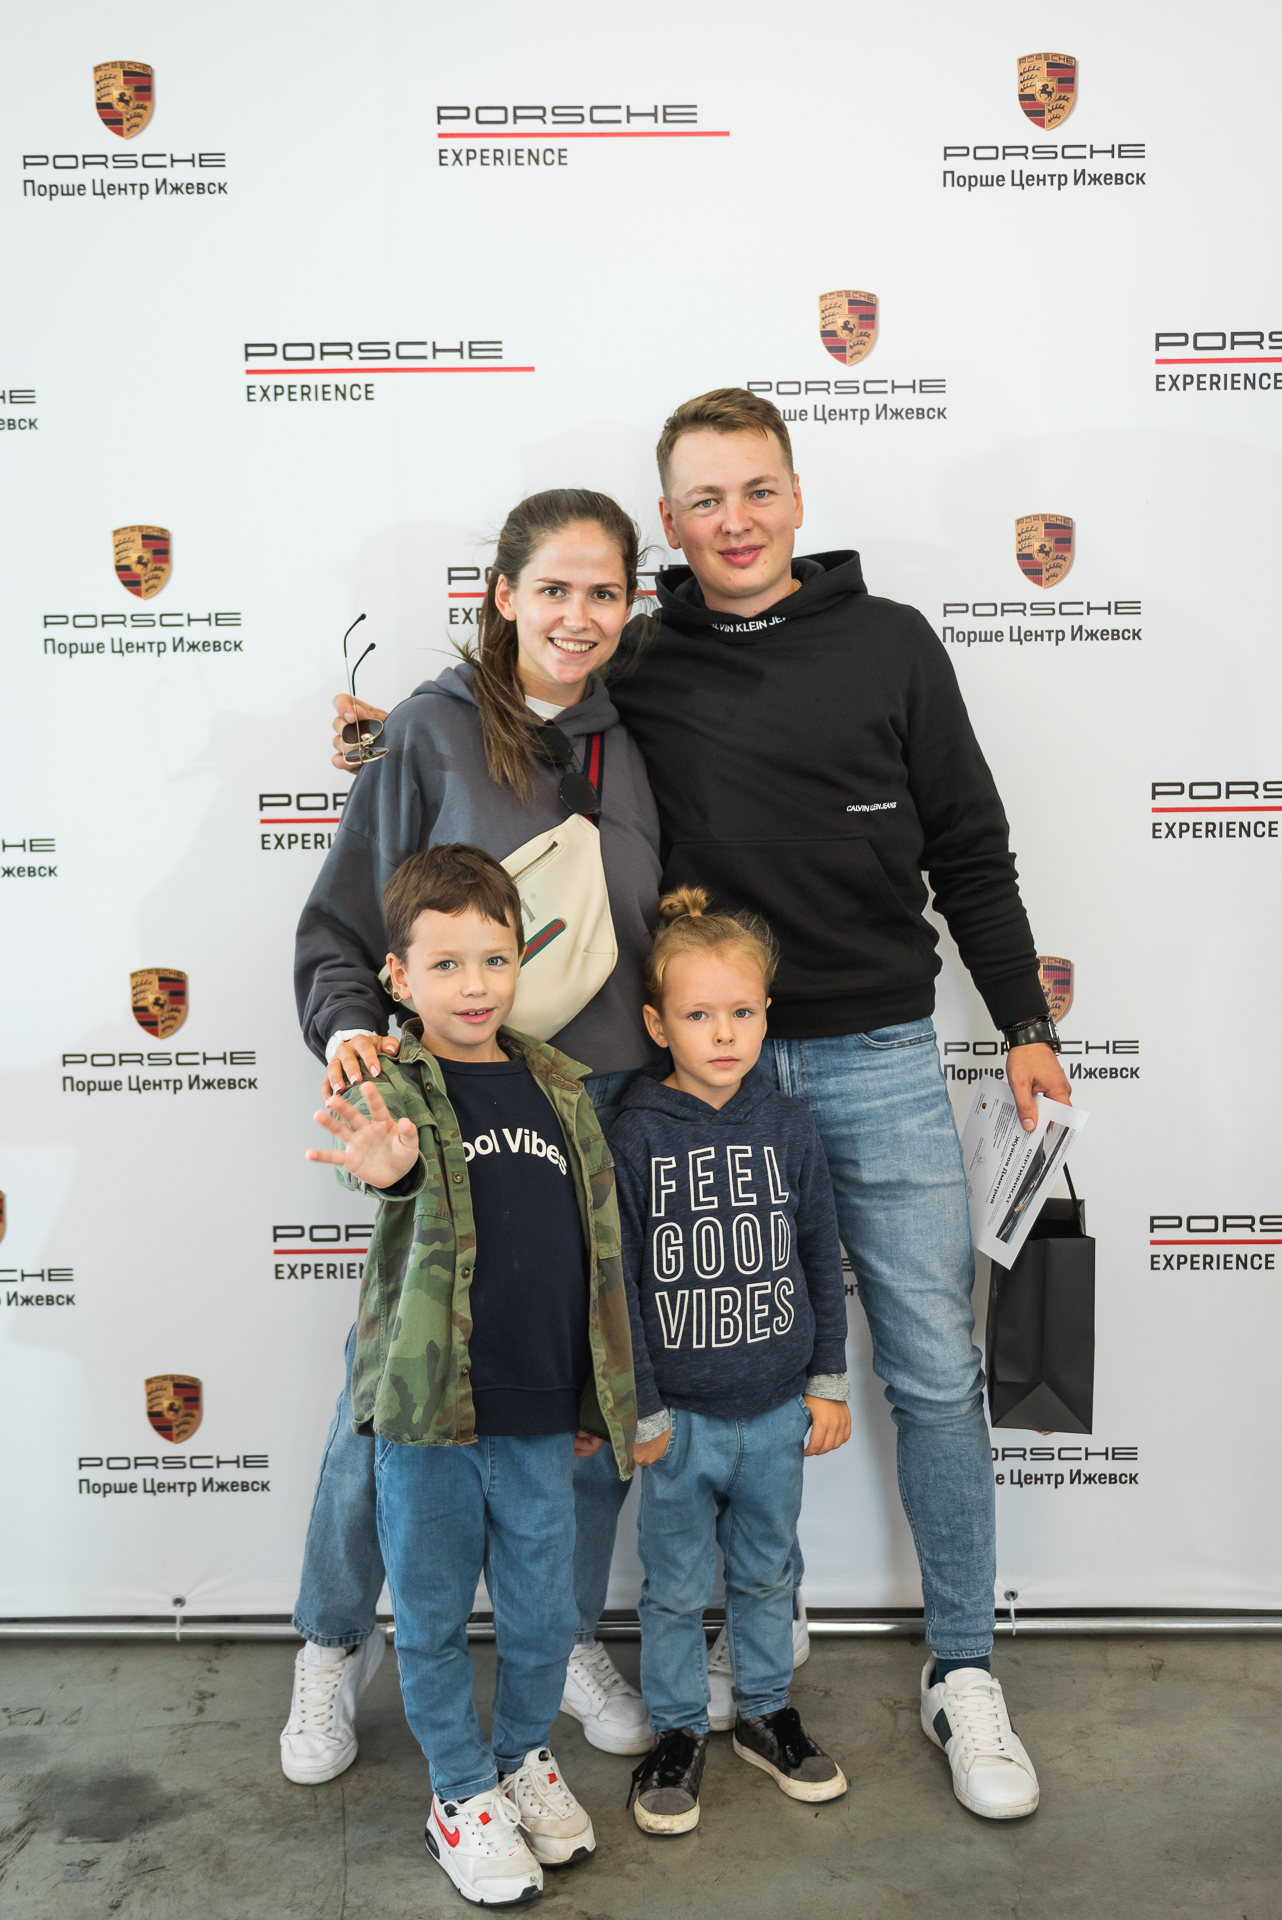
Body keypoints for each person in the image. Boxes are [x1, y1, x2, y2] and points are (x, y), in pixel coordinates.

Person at [331, 388, 1065, 1820]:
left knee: (931, 1370)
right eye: (704, 501)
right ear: (668, 522)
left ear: (797, 498)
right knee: (624, 1368)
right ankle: (635, 1650)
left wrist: (1023, 1025)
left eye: (757, 491)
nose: (734, 522)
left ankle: (964, 1671)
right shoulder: (636, 656)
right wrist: (386, 740)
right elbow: (513, 710)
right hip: (674, 1074)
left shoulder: (892, 643)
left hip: (874, 1053)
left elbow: (971, 848)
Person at [285, 488, 805, 1788]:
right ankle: (331, 1640)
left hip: (605, 1113)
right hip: (453, 1118)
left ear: (632, 606)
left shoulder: (637, 736)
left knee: (588, 1391)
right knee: (389, 1396)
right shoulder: (428, 730)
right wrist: (348, 1031)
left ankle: (561, 1634)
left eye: (604, 592)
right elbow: (342, 923)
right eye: (554, 588)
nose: (579, 616)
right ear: (503, 596)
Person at [304, 842, 635, 1904]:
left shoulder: (559, 1086)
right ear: (397, 977)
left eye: (494, 959)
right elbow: (382, 1172)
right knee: (435, 1619)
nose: (474, 985)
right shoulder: (392, 1083)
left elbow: (595, 1254)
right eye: (444, 965)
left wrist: (599, 1397)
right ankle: (459, 1792)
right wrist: (389, 1175)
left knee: (543, 1617)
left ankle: (519, 1758)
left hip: (540, 1415)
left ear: (520, 960)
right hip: (429, 1419)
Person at [616, 890, 850, 1834]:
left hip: (777, 1414)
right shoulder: (635, 1133)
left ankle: (764, 1712)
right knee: (673, 1589)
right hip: (678, 1422)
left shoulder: (789, 1125)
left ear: (766, 1015)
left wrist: (826, 1382)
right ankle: (678, 1730)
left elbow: (820, 1256)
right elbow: (620, 1285)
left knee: (765, 1576)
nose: (723, 1034)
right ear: (656, 1024)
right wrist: (642, 1408)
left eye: (742, 1012)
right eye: (698, 1015)